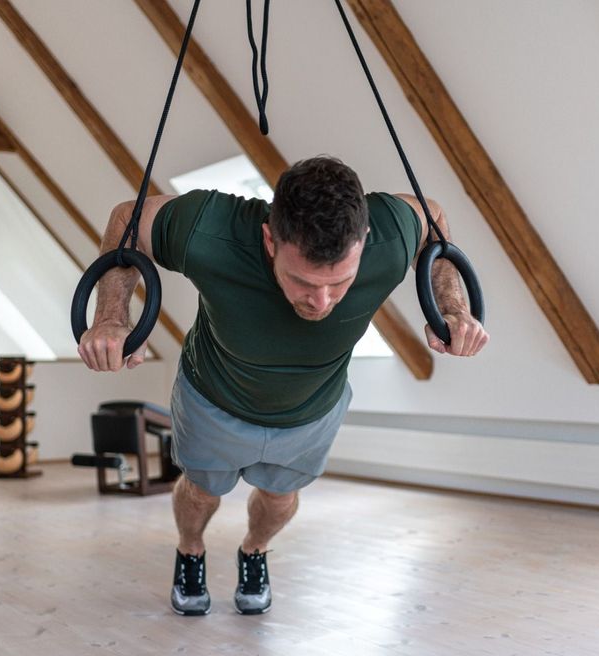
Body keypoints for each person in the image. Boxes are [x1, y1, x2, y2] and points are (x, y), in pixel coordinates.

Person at [77, 156, 488, 616]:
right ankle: (190, 550)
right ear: (270, 240)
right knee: (201, 491)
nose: (322, 301)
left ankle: (253, 551)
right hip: (212, 395)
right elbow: (128, 220)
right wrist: (111, 316)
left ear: (364, 241)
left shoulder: (390, 232)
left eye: (340, 282)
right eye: (302, 281)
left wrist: (454, 307)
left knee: (279, 499)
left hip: (312, 407)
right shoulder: (210, 229)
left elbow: (433, 220)